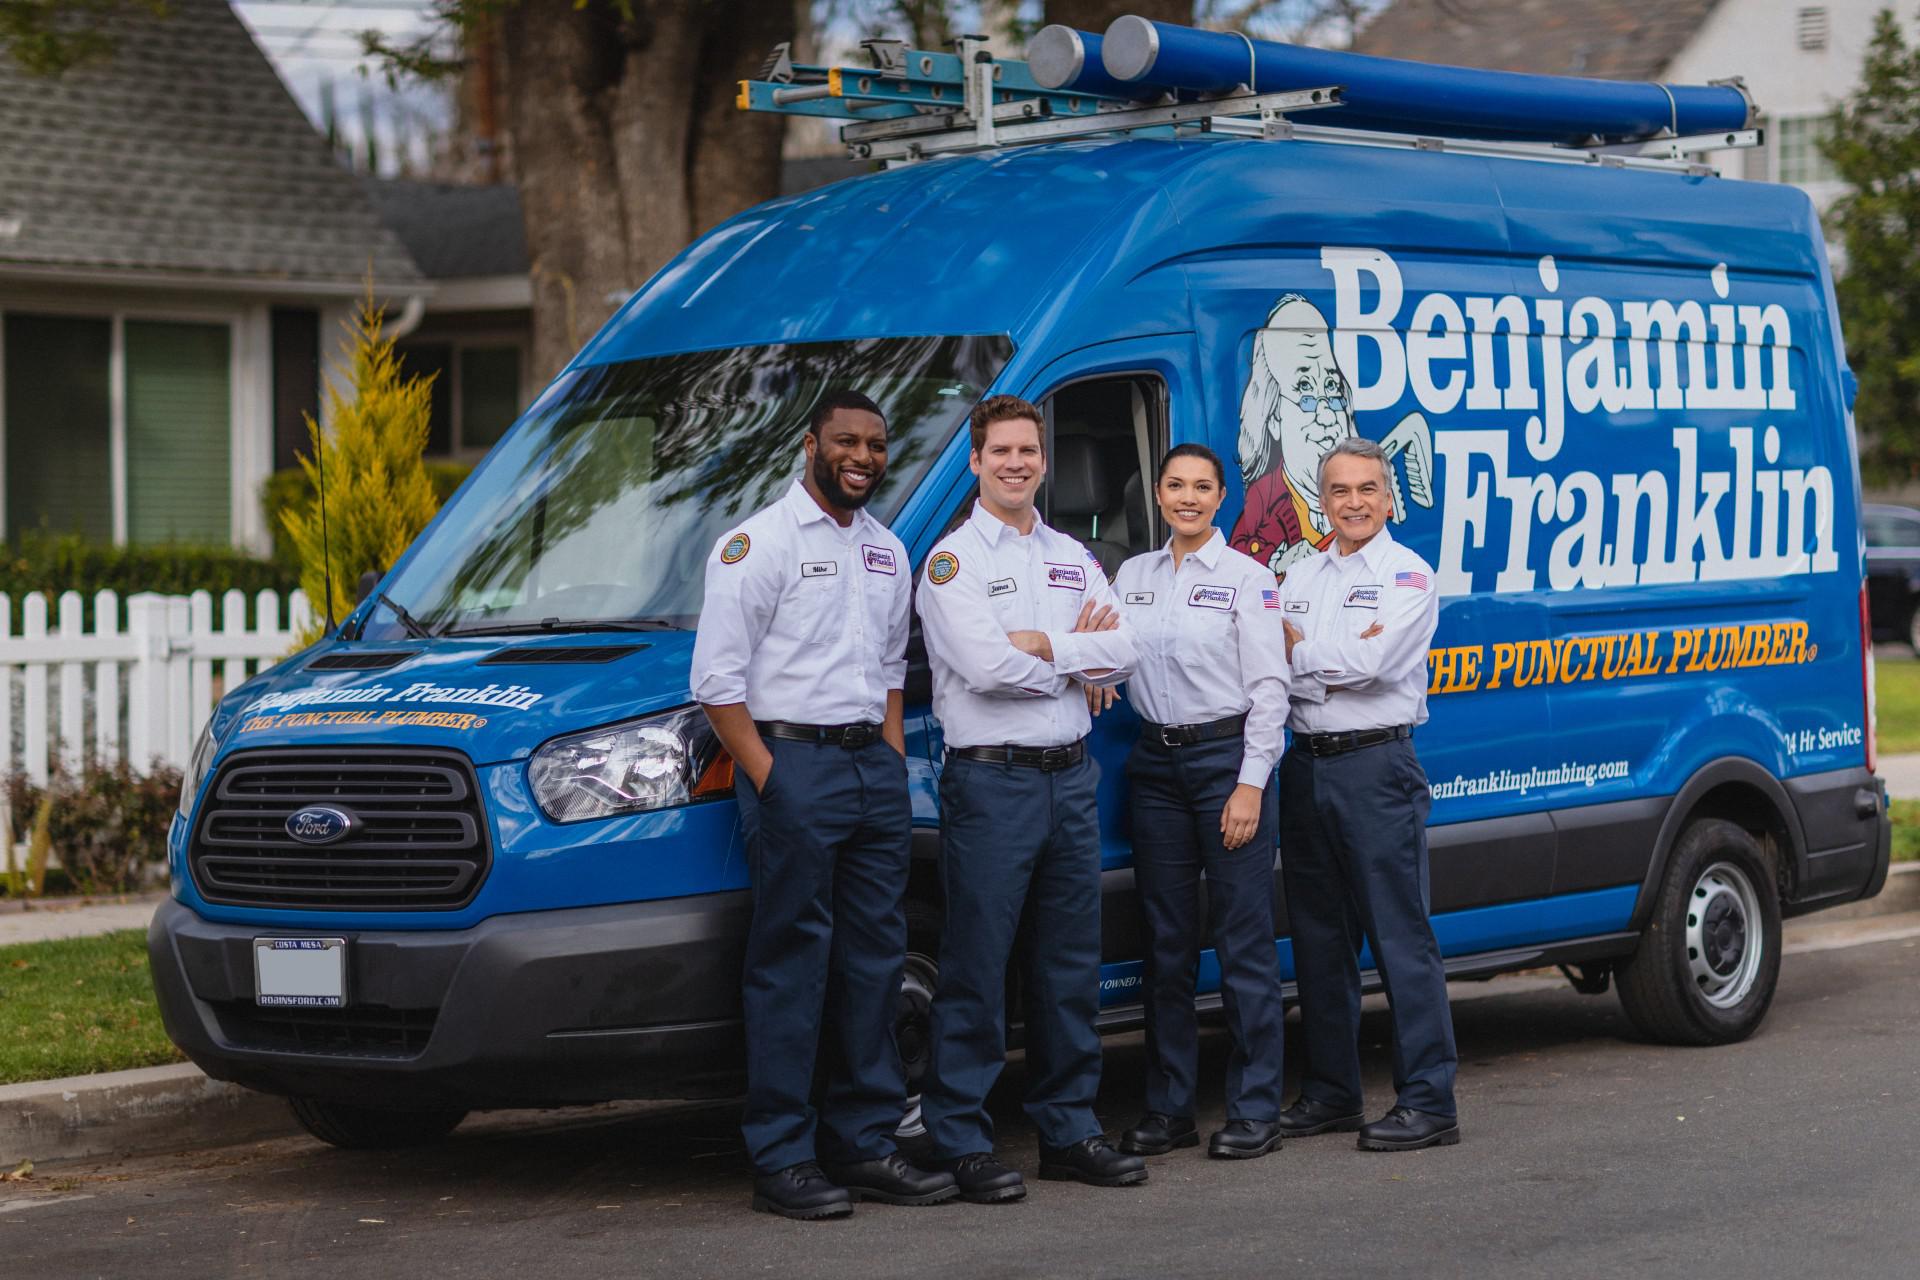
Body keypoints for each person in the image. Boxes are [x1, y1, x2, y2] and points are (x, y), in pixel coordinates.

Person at [691, 389, 958, 1219]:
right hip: (792, 766)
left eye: (876, 444)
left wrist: (890, 761)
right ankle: (783, 1157)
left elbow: (889, 670)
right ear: (811, 446)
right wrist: (771, 778)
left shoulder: (886, 551)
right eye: (847, 441)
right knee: (791, 967)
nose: (863, 457)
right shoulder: (756, 545)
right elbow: (716, 683)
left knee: (874, 963)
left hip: (872, 771)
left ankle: (866, 1143)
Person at [915, 394, 1145, 1201]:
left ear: (1043, 461)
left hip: (1071, 779)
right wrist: (1077, 660)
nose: (1016, 463)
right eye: (1001, 451)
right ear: (975, 462)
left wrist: (1046, 643)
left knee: (1069, 966)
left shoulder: (1072, 554)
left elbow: (1125, 651)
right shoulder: (952, 564)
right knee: (977, 967)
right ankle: (960, 1142)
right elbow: (986, 669)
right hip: (992, 782)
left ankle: (1069, 1130)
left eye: (1028, 451)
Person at [1273, 435, 1460, 1152]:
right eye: (1340, 491)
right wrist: (1327, 663)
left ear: (1388, 498)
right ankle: (1332, 1092)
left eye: (1367, 490)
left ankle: (1430, 1102)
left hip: (1377, 767)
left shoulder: (1408, 575)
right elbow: (1274, 665)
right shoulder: (1298, 575)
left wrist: (1301, 653)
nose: (1353, 503)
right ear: (1323, 500)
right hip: (1306, 766)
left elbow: (1376, 664)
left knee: (1400, 937)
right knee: (1319, 940)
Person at [1111, 442, 1292, 1161]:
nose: (1187, 498)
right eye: (1175, 485)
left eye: (1201, 487)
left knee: (1243, 941)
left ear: (1222, 498)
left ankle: (1255, 1109)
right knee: (1167, 945)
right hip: (1156, 766)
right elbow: (1109, 650)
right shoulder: (1133, 576)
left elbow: (1271, 689)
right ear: (1157, 494)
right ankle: (1169, 1110)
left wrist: (1251, 782)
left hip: (1227, 763)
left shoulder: (1249, 579)